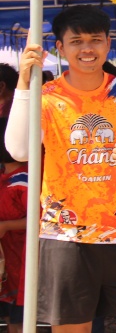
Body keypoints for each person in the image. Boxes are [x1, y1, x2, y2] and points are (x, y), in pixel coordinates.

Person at [4, 5, 116, 332]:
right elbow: (19, 150)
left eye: (95, 40)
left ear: (108, 44)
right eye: (76, 41)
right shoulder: (46, 96)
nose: (87, 49)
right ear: (60, 47)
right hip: (65, 238)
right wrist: (24, 82)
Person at [0, 113, 27, 333]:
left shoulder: (24, 180)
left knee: (20, 317)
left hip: (23, 257)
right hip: (8, 257)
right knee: (9, 316)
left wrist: (6, 226)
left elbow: (37, 219)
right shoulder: (4, 177)